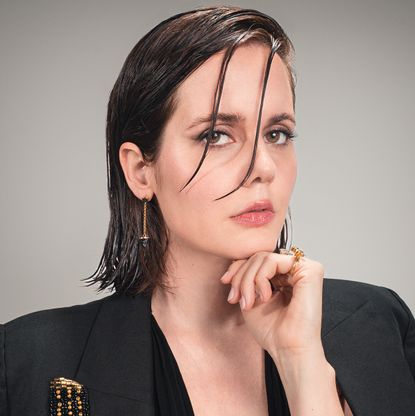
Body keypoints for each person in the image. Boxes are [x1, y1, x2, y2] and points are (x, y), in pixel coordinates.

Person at [1, 5, 414, 416]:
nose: (263, 168)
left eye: (277, 133)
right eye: (216, 135)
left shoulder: (381, 326)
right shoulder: (26, 360)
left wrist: (302, 364)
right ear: (141, 170)